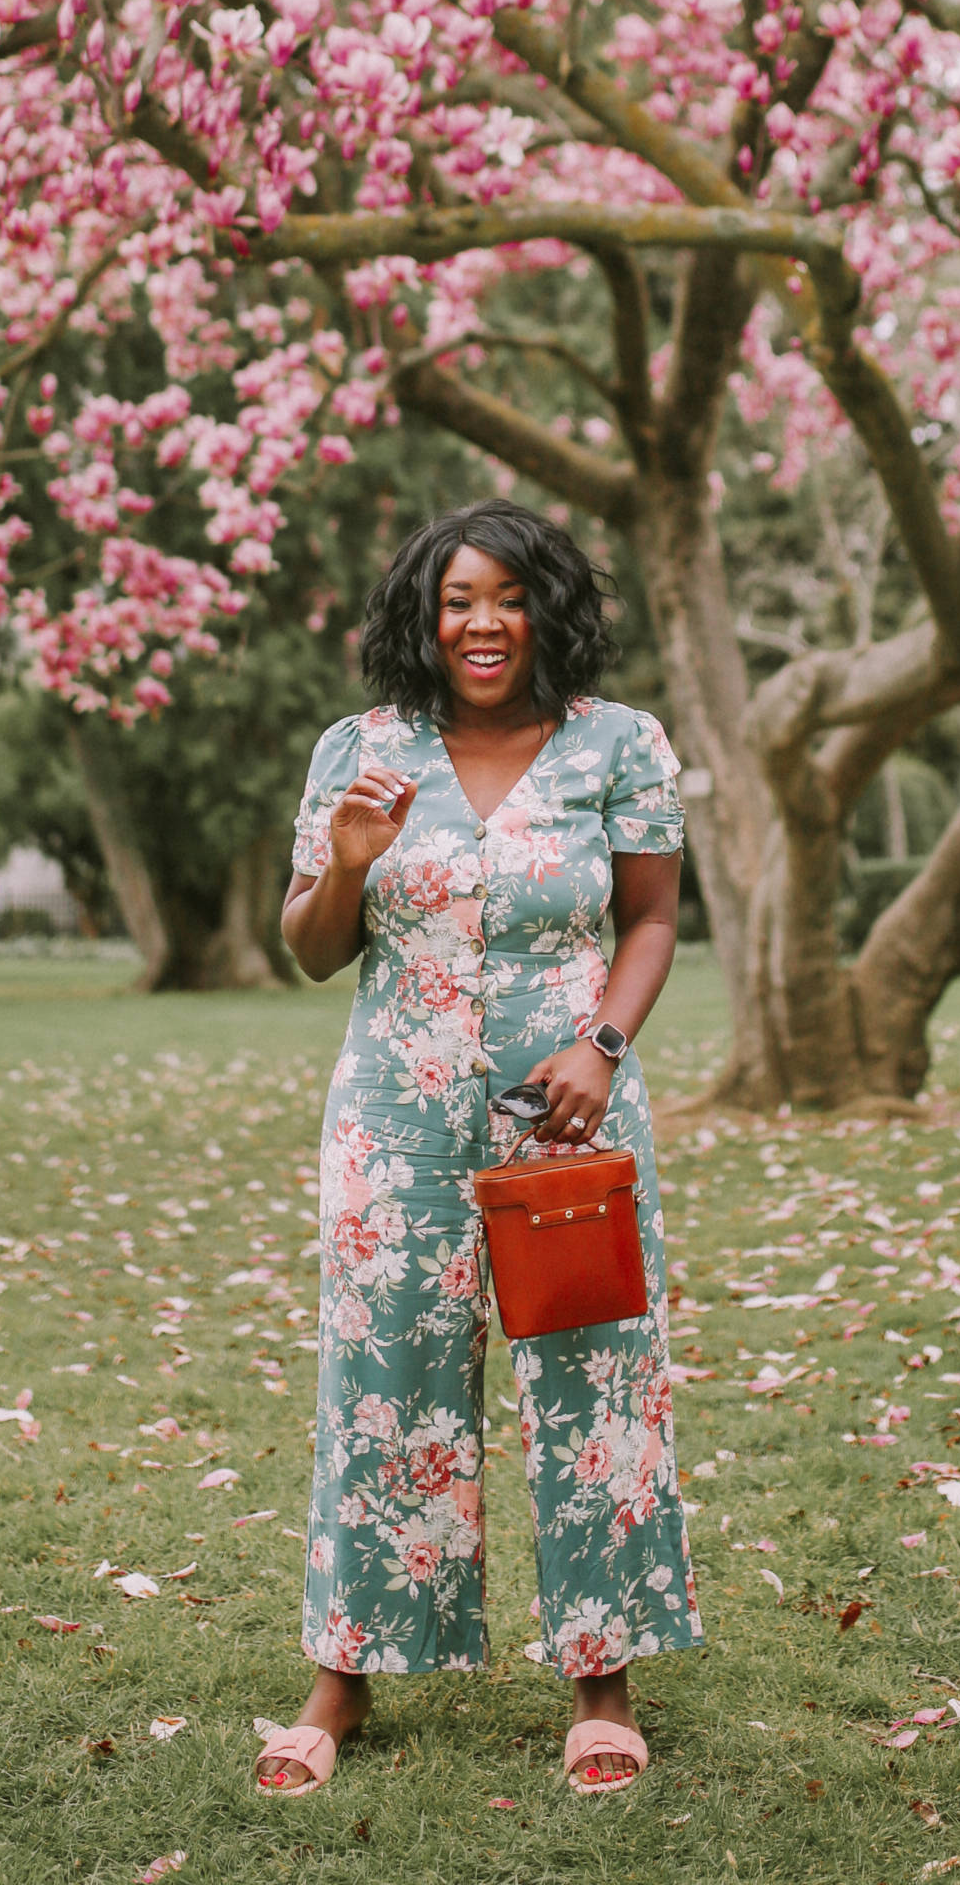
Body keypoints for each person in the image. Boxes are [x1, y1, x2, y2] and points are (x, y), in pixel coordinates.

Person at [252, 500, 701, 1802]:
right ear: (424, 614)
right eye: (458, 599)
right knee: (384, 1379)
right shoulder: (363, 749)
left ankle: (602, 1684)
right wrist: (344, 863)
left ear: (546, 605)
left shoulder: (620, 743)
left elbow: (657, 918)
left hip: (570, 1116)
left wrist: (601, 1048)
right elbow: (312, 945)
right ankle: (346, 1672)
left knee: (595, 1379)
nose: (483, 621)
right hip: (396, 1123)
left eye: (507, 595)